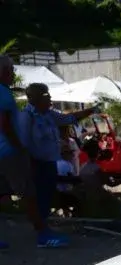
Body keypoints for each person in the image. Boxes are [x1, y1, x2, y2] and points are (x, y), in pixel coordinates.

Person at [21, 83, 98, 242]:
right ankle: (42, 234)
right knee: (39, 197)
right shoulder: (26, 117)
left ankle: (43, 229)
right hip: (36, 163)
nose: (50, 97)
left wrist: (91, 110)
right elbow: (23, 143)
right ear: (35, 98)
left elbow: (69, 118)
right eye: (46, 95)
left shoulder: (49, 114)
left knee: (47, 196)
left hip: (49, 163)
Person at [0, 55, 54, 249]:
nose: (13, 74)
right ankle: (43, 235)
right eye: (11, 70)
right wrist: (19, 148)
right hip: (8, 151)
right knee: (28, 193)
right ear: (4, 71)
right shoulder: (4, 93)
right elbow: (5, 125)